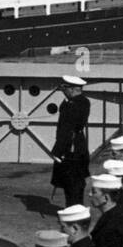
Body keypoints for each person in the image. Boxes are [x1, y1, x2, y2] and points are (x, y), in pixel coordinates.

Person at [51, 74, 91, 207]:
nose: (63, 90)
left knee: (73, 183)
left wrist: (58, 151)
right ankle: (73, 208)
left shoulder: (76, 104)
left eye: (65, 88)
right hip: (75, 145)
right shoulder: (77, 102)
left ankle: (74, 211)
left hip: (72, 148)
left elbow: (67, 129)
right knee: (72, 182)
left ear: (73, 89)